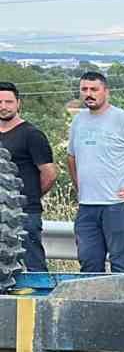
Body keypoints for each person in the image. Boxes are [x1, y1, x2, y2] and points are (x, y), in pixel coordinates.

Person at [66, 71, 124, 273]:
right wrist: (80, 188)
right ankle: (93, 304)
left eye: (94, 89)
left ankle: (121, 305)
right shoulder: (78, 121)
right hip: (87, 206)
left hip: (118, 205)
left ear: (106, 91)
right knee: (89, 263)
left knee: (120, 264)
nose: (89, 94)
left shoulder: (122, 119)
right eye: (84, 89)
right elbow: (72, 157)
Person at [0, 82, 57, 272]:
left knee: (33, 263)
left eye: (9, 101)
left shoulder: (31, 134)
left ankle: (41, 300)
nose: (3, 106)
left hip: (25, 213)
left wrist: (27, 197)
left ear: (18, 104)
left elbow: (49, 174)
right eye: (0, 102)